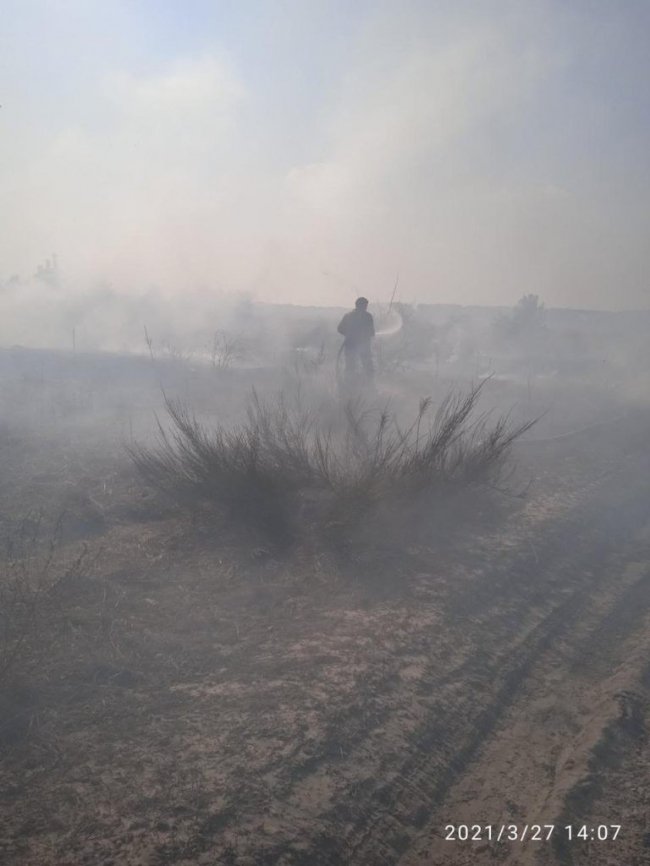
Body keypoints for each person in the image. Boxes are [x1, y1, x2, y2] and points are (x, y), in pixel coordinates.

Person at [337, 297, 375, 381]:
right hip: (356, 345)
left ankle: (355, 384)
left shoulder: (349, 316)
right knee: (358, 366)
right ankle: (353, 385)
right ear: (360, 305)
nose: (366, 307)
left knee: (354, 366)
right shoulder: (368, 316)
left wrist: (349, 334)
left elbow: (340, 329)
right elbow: (372, 332)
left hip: (354, 345)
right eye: (365, 305)